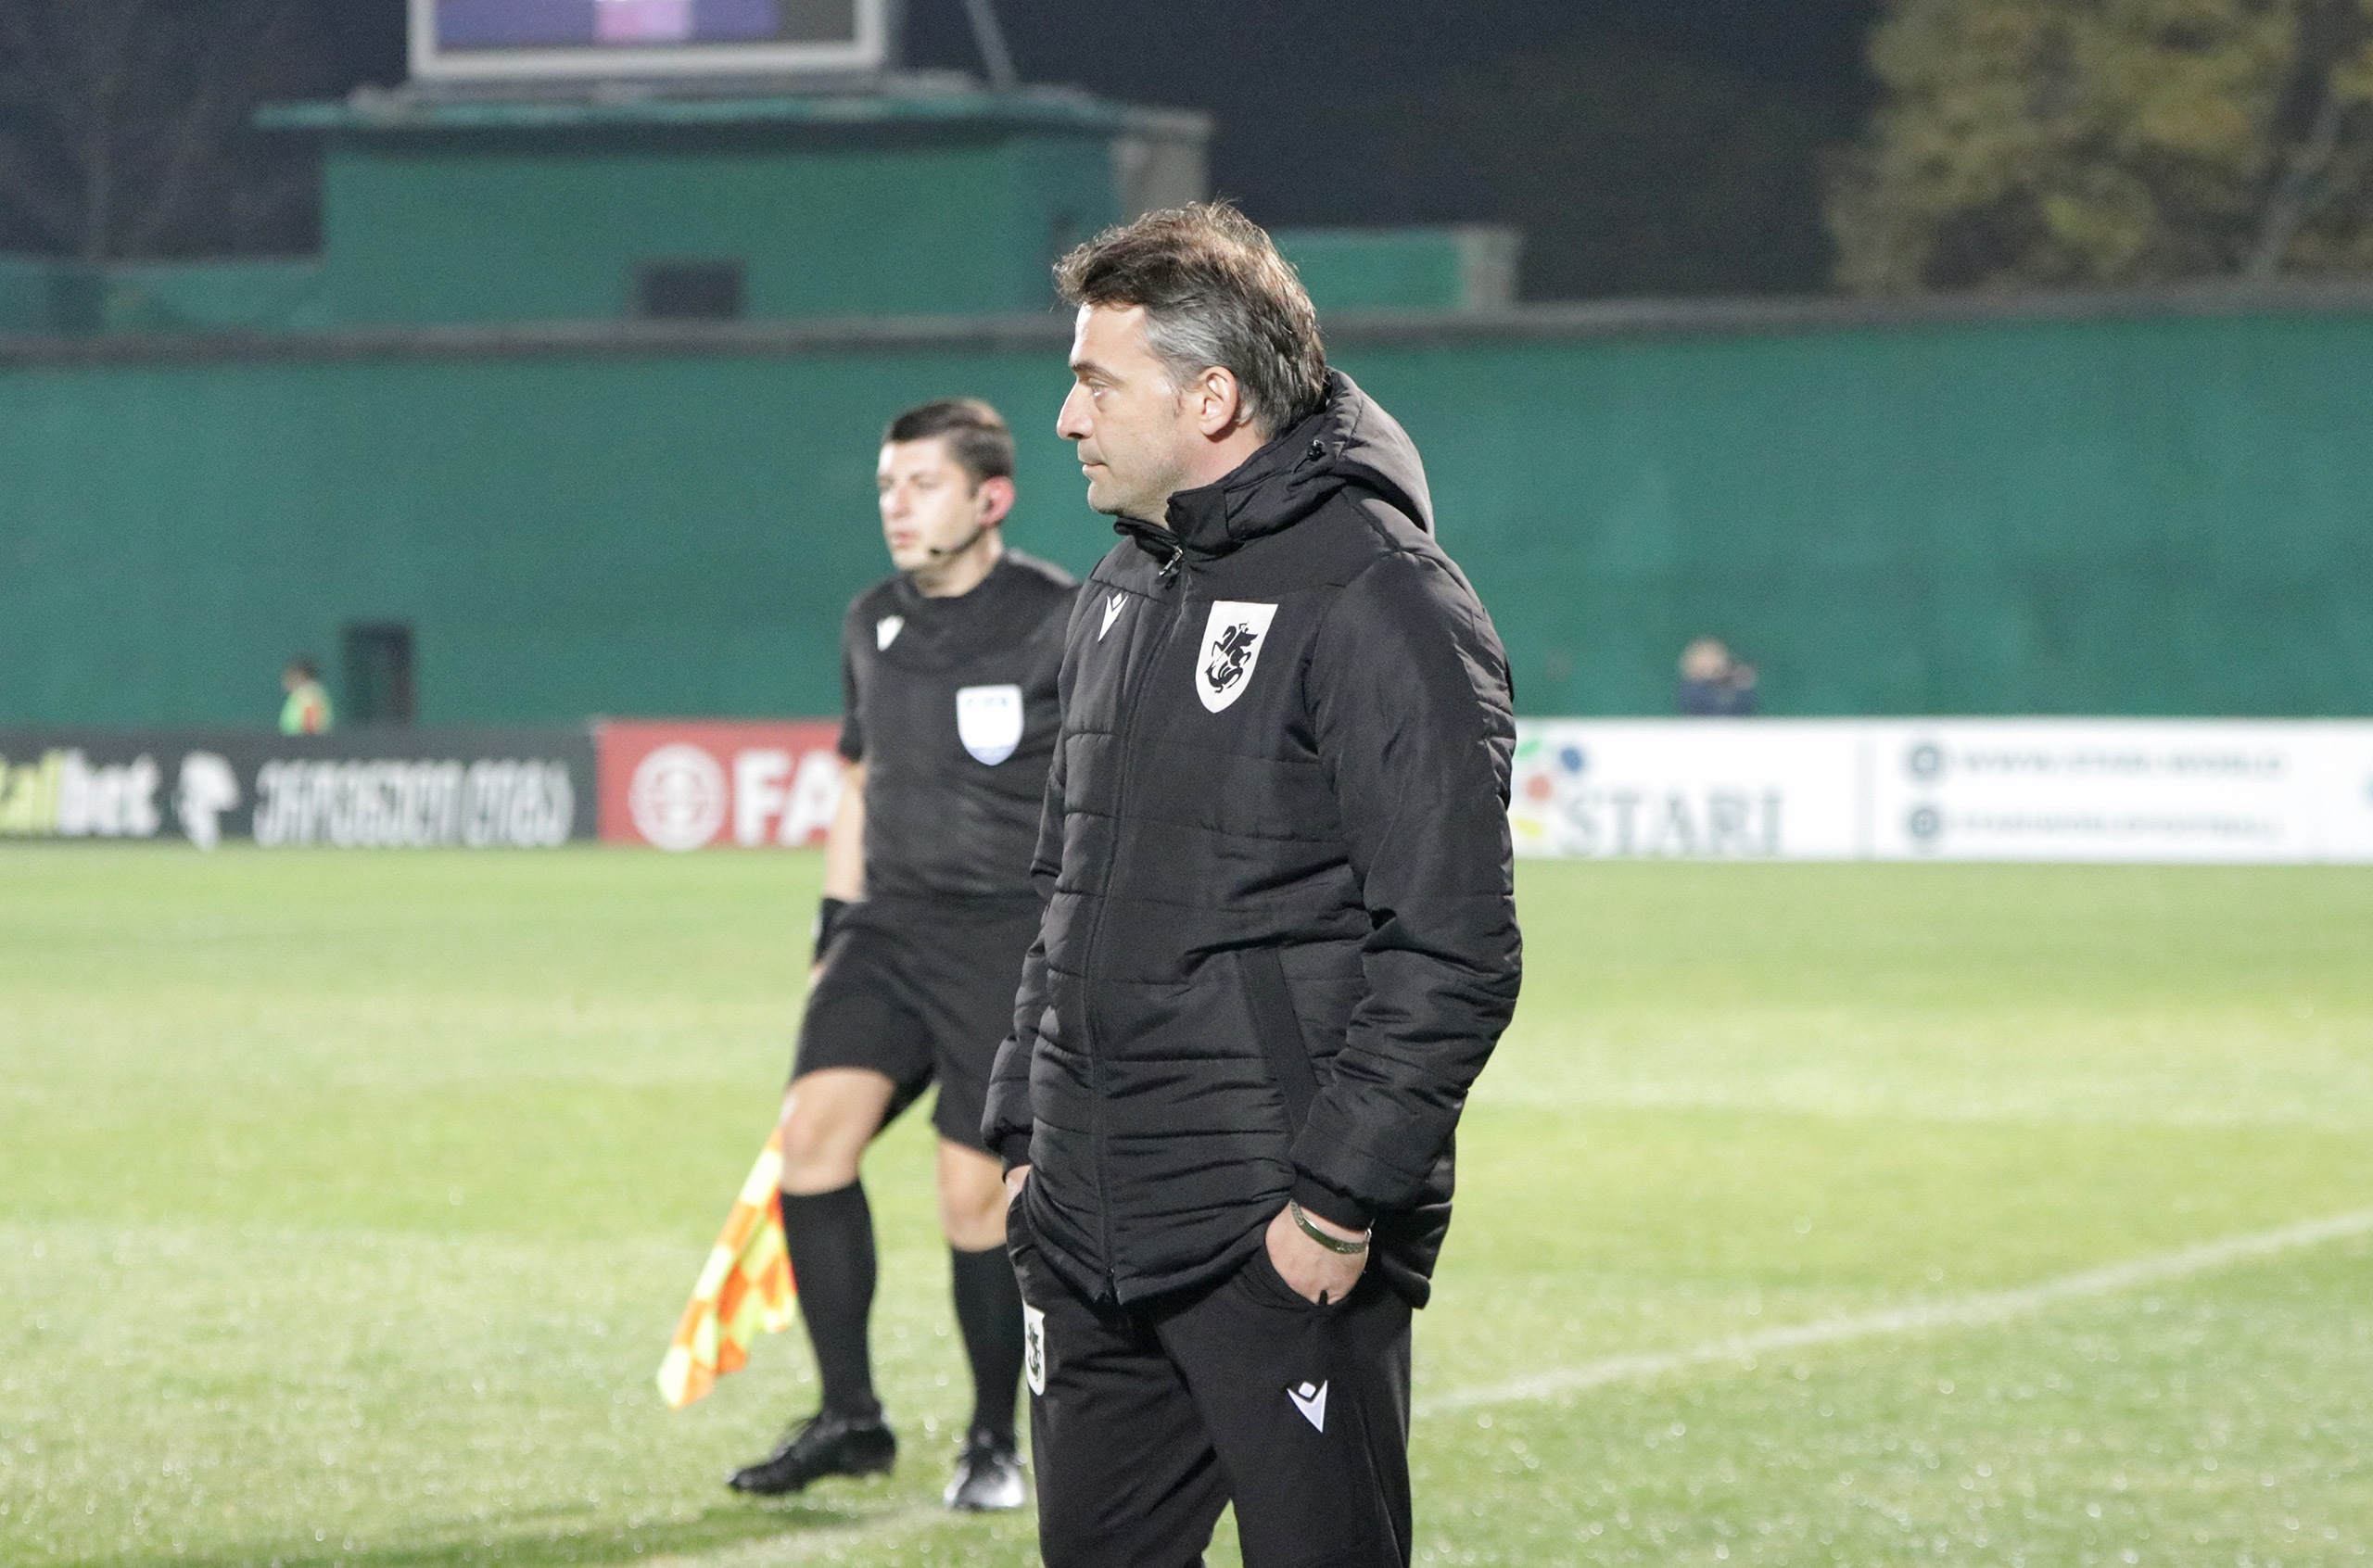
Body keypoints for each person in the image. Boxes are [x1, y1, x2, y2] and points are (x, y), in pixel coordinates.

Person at [986, 204, 1523, 1567]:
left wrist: (1335, 1203)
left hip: (1268, 1230)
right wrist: (1024, 1136)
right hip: (1086, 1224)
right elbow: (1062, 889)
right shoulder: (1119, 588)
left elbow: (1453, 945)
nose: (1066, 418)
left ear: (1211, 398)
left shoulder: (1382, 597)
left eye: (1096, 382)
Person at [727, 398, 1075, 1511]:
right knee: (809, 1143)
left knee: (972, 1202)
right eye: (887, 486)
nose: (896, 506)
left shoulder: (1060, 617)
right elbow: (858, 782)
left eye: (921, 484)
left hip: (1004, 941)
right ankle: (851, 1420)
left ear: (991, 498)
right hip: (884, 930)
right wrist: (833, 932)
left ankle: (992, 1442)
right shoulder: (869, 619)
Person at [1676, 636, 1758, 716]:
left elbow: (1742, 707)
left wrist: (1739, 682)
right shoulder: (1692, 690)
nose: (1710, 663)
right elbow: (1698, 705)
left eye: (1713, 657)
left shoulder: (1736, 688)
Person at [279, 658, 333, 734]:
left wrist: (308, 738)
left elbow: (312, 722)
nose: (286, 681)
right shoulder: (302, 693)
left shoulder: (308, 693)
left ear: (300, 676)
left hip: (304, 739)